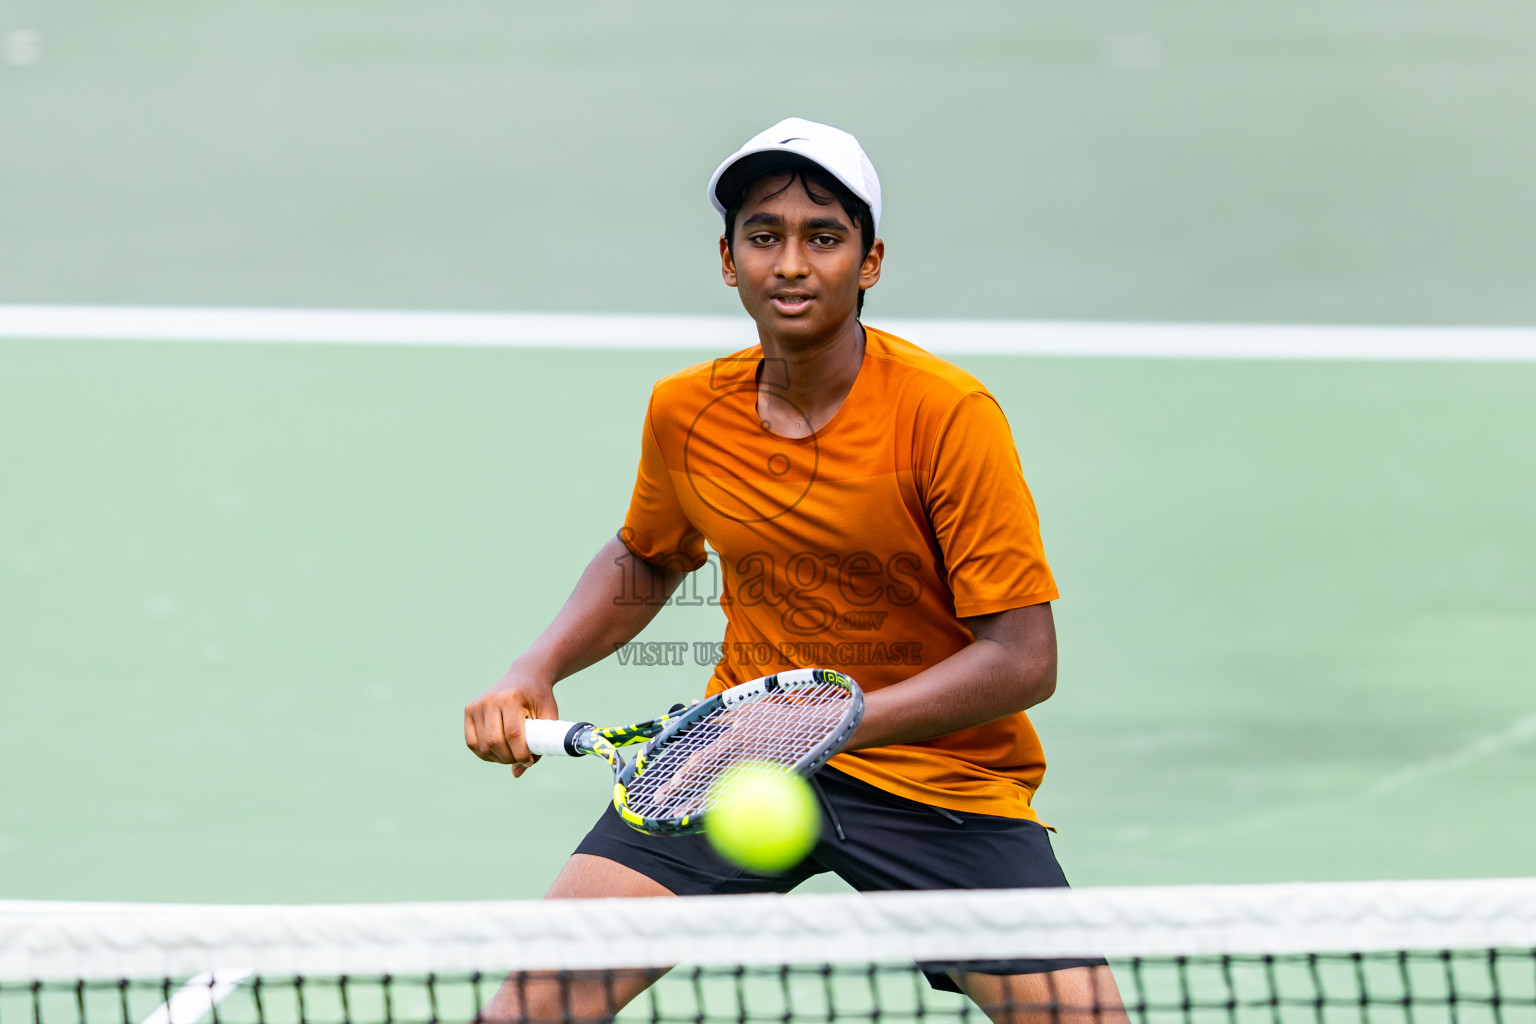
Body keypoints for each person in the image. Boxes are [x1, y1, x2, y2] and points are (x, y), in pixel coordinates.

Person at [464, 117, 1127, 1024]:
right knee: (536, 1003)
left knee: (1084, 1019)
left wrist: (832, 726)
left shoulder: (949, 415)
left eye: (823, 238)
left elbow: (1023, 659)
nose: (791, 263)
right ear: (729, 260)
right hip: (731, 764)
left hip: (937, 778)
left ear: (871, 262)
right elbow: (647, 553)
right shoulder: (687, 410)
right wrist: (534, 668)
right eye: (764, 237)